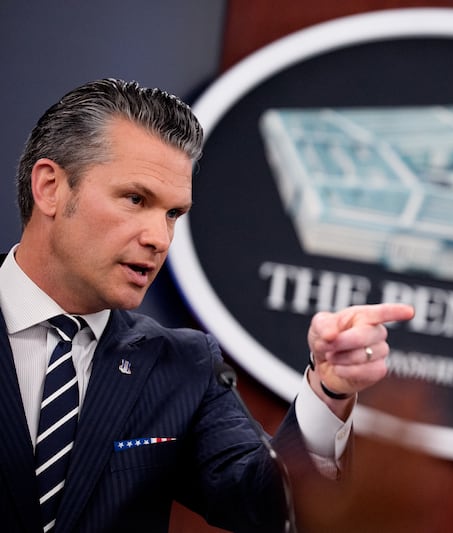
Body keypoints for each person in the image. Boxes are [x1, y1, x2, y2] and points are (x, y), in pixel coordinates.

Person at [0, 78, 414, 533]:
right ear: (50, 187)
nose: (159, 239)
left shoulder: (183, 366)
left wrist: (329, 391)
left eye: (172, 214)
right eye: (135, 199)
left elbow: (275, 509)